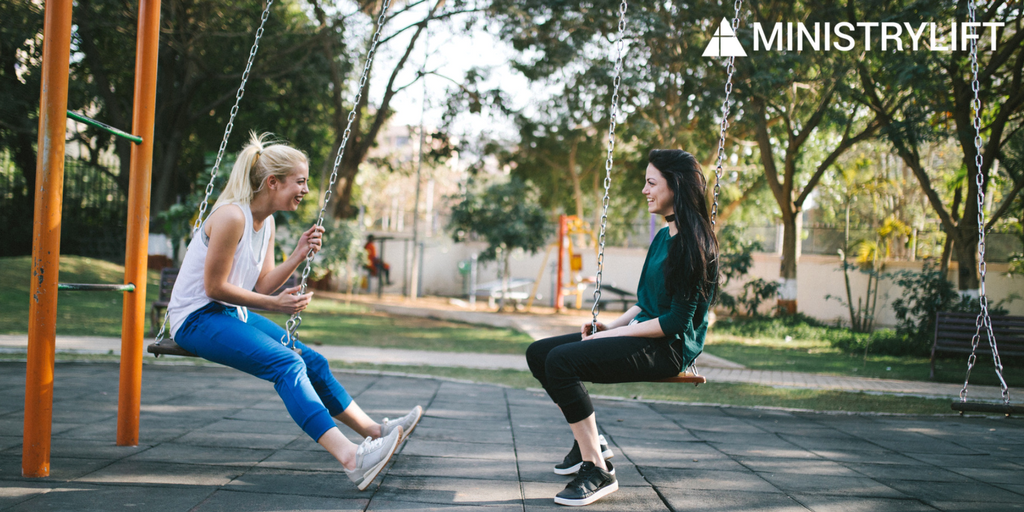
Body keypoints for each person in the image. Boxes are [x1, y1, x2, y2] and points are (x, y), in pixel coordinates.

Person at [167, 132, 422, 491]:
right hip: (196, 318)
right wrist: (274, 305)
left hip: (227, 315)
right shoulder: (230, 217)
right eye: (299, 181)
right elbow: (214, 288)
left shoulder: (266, 222)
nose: (304, 189)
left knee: (312, 360)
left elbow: (263, 285)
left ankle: (375, 431)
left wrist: (298, 253)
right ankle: (351, 458)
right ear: (273, 182)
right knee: (287, 364)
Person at [525, 149, 719, 507]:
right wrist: (609, 325)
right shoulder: (663, 237)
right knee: (539, 353)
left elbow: (676, 321)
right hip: (646, 330)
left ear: (675, 186)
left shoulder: (694, 245)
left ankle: (597, 469)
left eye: (651, 182)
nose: (645, 190)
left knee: (562, 363)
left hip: (670, 347)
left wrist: (615, 334)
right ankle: (591, 440)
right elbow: (646, 302)